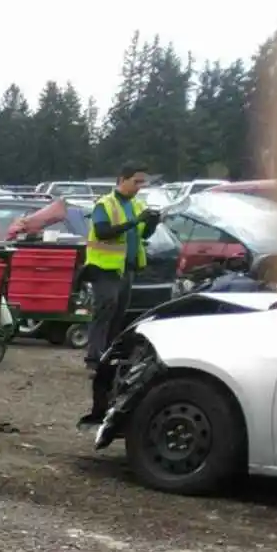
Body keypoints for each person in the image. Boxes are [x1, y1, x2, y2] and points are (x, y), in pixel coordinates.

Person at [78, 164, 161, 428]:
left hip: (126, 268)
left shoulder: (136, 205)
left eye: (143, 183)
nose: (140, 187)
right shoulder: (106, 204)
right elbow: (103, 232)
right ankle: (94, 358)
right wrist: (136, 221)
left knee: (119, 313)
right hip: (104, 267)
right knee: (106, 308)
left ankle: (110, 360)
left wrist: (150, 224)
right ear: (121, 180)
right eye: (136, 182)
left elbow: (141, 234)